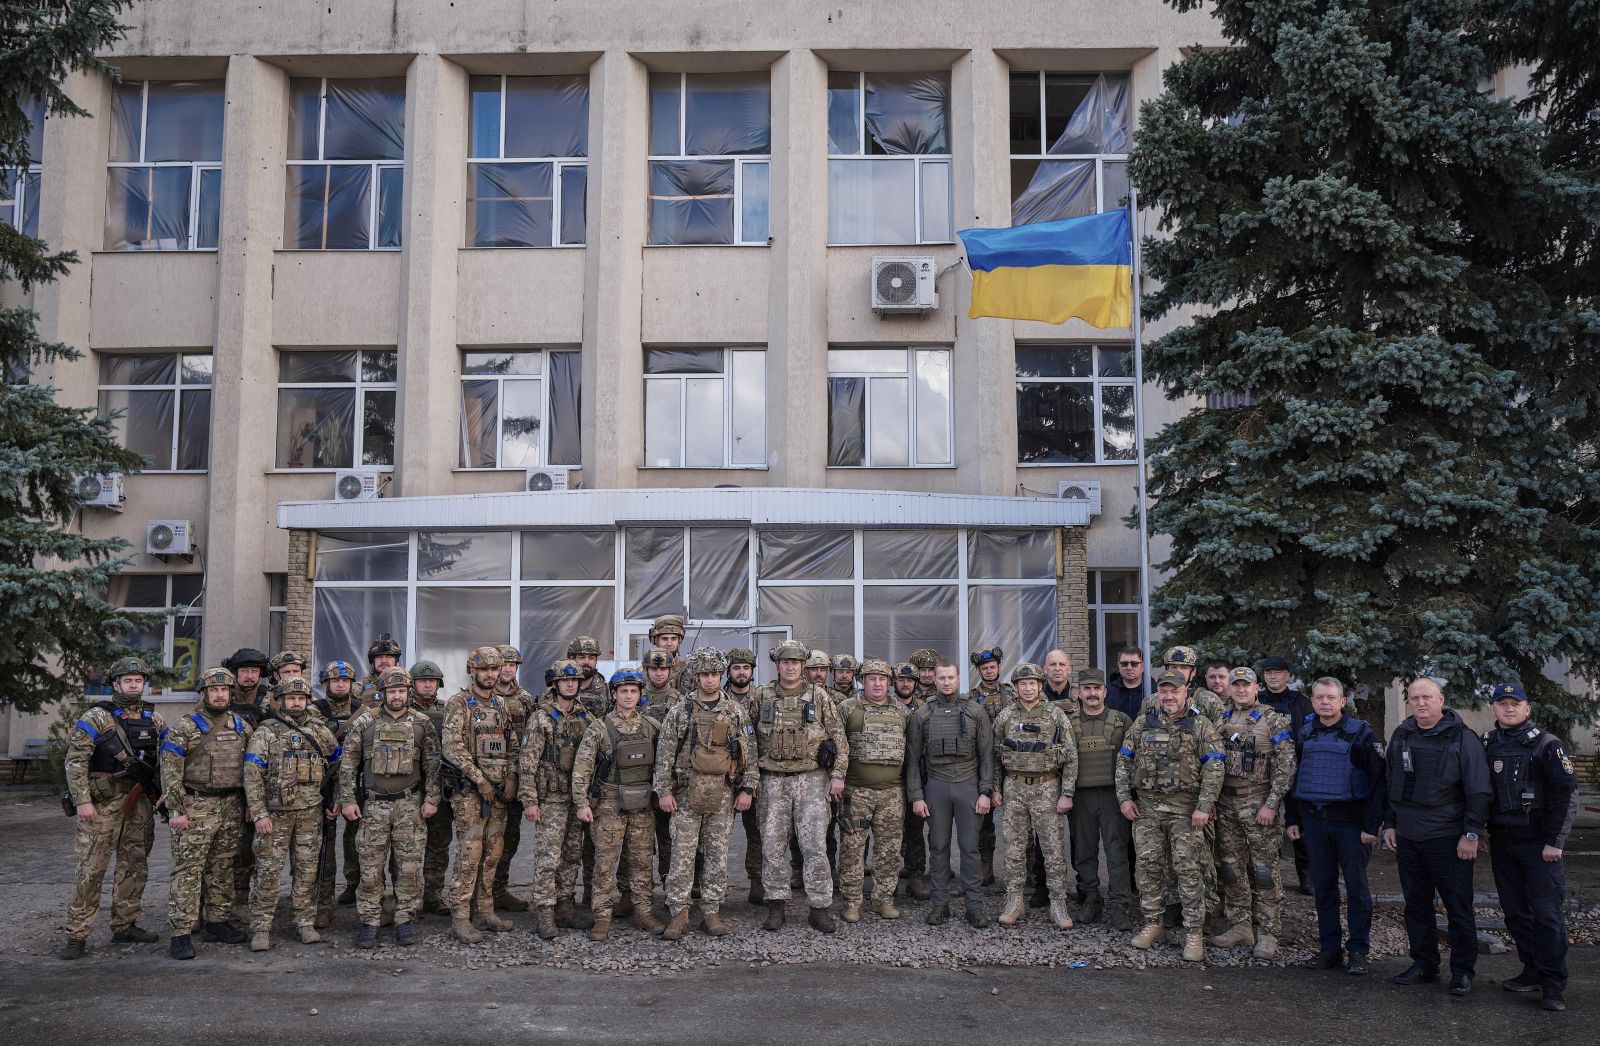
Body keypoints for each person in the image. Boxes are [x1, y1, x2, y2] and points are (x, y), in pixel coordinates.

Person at [1382, 676, 1490, 995]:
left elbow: (1479, 790)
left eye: (1427, 697)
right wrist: (1389, 824)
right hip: (1409, 839)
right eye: (1414, 698)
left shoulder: (1462, 737)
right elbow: (1391, 784)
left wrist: (1471, 834)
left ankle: (1462, 970)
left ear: (1441, 699)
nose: (1421, 703)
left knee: (1458, 908)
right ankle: (1424, 964)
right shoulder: (1401, 735)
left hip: (1448, 839)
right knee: (1416, 906)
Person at [60, 657, 166, 959]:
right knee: (90, 870)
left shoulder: (154, 719)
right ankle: (77, 935)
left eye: (138, 680)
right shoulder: (96, 717)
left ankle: (125, 925)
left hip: (139, 802)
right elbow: (76, 761)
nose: (134, 685)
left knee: (134, 865)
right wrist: (82, 800)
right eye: (128, 680)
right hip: (102, 805)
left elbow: (166, 760)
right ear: (115, 683)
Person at [1483, 682, 1578, 1012]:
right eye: (1502, 703)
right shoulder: (1489, 744)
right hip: (1502, 842)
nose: (1509, 708)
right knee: (1514, 912)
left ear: (1527, 708)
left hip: (1540, 846)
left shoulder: (1548, 745)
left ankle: (1553, 983)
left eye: (1515, 703)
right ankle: (1533, 970)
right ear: (1493, 708)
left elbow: (1567, 796)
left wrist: (1556, 842)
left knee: (1547, 915)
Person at [652, 646, 759, 940]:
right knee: (682, 856)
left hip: (722, 794)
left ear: (720, 675)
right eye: (704, 674)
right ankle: (679, 912)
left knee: (717, 855)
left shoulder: (735, 711)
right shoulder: (681, 711)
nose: (710, 680)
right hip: (686, 794)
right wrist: (663, 791)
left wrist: (747, 789)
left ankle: (711, 911)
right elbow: (665, 754)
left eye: (714, 674)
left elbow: (750, 754)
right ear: (696, 677)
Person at [1116, 670, 1223, 962]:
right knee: (1148, 869)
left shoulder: (1200, 725)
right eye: (1163, 691)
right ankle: (1153, 923)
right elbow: (1124, 760)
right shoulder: (1142, 723)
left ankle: (1193, 933)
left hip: (1185, 811)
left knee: (1188, 872)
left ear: (1185, 691)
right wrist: (1125, 798)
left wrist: (1204, 805)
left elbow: (1215, 766)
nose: (1168, 696)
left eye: (1174, 691)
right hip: (1147, 809)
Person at [1287, 676, 1385, 976]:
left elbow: (1379, 783)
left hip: (1351, 825)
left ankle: (1358, 951)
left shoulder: (1361, 734)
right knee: (1323, 890)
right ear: (1313, 701)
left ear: (1343, 701)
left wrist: (1372, 826)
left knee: (1357, 889)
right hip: (1315, 823)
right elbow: (1294, 777)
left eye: (1331, 697)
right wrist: (1293, 819)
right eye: (1319, 698)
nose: (1325, 702)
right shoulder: (1304, 732)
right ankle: (1329, 949)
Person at [338, 667, 440, 949]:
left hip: (410, 805)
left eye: (401, 691)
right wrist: (347, 800)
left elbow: (433, 765)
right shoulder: (366, 722)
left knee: (408, 868)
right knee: (370, 869)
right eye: (391, 691)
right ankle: (369, 921)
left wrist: (432, 799)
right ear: (383, 693)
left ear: (409, 693)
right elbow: (348, 765)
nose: (396, 696)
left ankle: (404, 918)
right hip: (374, 807)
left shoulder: (422, 723)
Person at [753, 640, 848, 933]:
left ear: (803, 666)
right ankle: (776, 906)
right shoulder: (762, 696)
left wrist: (838, 775)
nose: (791, 667)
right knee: (772, 847)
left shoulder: (819, 697)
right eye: (785, 662)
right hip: (772, 782)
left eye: (796, 662)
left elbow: (840, 739)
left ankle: (819, 907)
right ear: (777, 665)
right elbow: (747, 741)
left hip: (812, 781)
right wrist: (750, 779)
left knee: (816, 847)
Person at [159, 666, 252, 960]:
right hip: (196, 806)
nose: (220, 694)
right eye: (214, 690)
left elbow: (252, 769)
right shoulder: (186, 727)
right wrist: (176, 809)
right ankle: (181, 932)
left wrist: (251, 804)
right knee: (188, 871)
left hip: (231, 806)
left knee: (223, 867)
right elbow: (170, 770)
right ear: (204, 693)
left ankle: (217, 920)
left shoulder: (241, 726)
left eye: (225, 690)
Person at [243, 677, 340, 951]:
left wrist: (335, 800)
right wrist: (259, 813)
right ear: (281, 701)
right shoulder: (266, 732)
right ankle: (261, 927)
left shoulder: (320, 731)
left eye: (301, 698)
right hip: (275, 816)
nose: (296, 703)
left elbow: (338, 766)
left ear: (307, 700)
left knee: (307, 872)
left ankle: (305, 922)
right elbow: (252, 774)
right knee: (268, 872)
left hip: (310, 813)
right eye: (291, 698)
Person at [1206, 667, 1295, 960]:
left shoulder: (1273, 720)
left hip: (1258, 806)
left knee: (1264, 871)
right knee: (1231, 869)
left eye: (1246, 685)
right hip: (1227, 806)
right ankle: (1240, 925)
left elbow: (1286, 766)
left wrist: (1272, 803)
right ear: (1229, 689)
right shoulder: (1220, 719)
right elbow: (1211, 762)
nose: (1241, 690)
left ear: (1256, 687)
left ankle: (1269, 933)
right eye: (1236, 685)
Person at [571, 667, 667, 940]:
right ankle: (602, 915)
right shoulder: (599, 728)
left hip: (642, 805)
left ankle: (643, 911)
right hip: (610, 803)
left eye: (633, 691)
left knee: (641, 862)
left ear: (640, 695)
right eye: (623, 691)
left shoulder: (651, 727)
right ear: (614, 694)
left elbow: (665, 761)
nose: (628, 696)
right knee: (604, 863)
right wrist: (581, 803)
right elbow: (582, 768)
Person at [905, 660, 995, 929]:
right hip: (936, 785)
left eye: (951, 678)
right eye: (941, 678)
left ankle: (974, 907)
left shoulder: (976, 711)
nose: (946, 682)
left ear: (958, 679)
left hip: (968, 784)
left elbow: (987, 755)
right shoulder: (922, 714)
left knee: (970, 849)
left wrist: (985, 791)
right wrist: (916, 796)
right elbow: (912, 759)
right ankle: (940, 904)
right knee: (939, 848)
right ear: (934, 678)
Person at [443, 647, 519, 943]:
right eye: (483, 669)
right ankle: (460, 916)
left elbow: (511, 742)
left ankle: (484, 911)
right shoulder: (459, 703)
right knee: (469, 854)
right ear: (472, 671)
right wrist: (479, 780)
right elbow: (452, 746)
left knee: (493, 852)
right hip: (470, 794)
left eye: (494, 669)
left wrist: (511, 775)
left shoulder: (500, 704)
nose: (489, 674)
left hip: (498, 793)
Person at [992, 663, 1077, 930]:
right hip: (1014, 787)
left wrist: (1067, 792)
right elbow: (994, 757)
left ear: (1040, 686)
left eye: (1032, 683)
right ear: (1015, 688)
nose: (1027, 688)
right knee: (1014, 848)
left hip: (1047, 788)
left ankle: (1058, 904)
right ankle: (1014, 901)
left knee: (1053, 849)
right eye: (1022, 684)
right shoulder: (1005, 716)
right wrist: (995, 789)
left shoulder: (1055, 715)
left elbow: (1071, 756)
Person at [520, 659, 594, 939]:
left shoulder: (586, 717)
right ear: (556, 683)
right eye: (565, 680)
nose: (571, 684)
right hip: (549, 798)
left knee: (572, 856)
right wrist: (529, 800)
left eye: (574, 680)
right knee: (548, 858)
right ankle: (545, 912)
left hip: (575, 798)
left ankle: (565, 906)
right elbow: (527, 761)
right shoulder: (541, 717)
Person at [836, 659, 910, 923]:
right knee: (853, 849)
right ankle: (852, 902)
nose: (877, 683)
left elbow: (910, 753)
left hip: (892, 793)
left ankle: (883, 900)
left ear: (889, 682)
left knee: (889, 850)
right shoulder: (847, 709)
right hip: (857, 793)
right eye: (871, 679)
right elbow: (836, 747)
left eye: (882, 679)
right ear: (862, 681)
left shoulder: (902, 711)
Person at [1068, 668, 1134, 930]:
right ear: (1079, 693)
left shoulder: (1121, 721)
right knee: (1084, 852)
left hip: (1112, 797)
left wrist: (1129, 796)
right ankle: (1091, 899)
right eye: (1087, 689)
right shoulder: (1068, 722)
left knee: (1117, 852)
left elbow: (1132, 759)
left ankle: (1120, 906)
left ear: (1105, 692)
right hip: (1081, 797)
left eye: (1097, 688)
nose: (1092, 693)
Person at [633, 646, 682, 914]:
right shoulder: (633, 694)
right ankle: (634, 892)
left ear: (670, 670)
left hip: (668, 781)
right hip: (638, 777)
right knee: (639, 841)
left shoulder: (680, 699)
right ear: (647, 669)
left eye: (663, 668)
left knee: (668, 839)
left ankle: (670, 888)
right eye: (654, 668)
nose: (659, 673)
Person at [1260, 654, 1315, 894]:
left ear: (1287, 676)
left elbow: (1311, 733)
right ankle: (1272, 878)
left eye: (1278, 672)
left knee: (1298, 826)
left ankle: (1307, 878)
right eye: (1269, 672)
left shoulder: (1300, 702)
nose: (1273, 676)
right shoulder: (1257, 700)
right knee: (1265, 825)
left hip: (1295, 771)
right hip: (1263, 773)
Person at [312, 659, 360, 926]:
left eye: (345, 680)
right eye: (335, 680)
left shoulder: (362, 710)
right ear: (325, 683)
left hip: (357, 783)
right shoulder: (314, 711)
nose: (341, 684)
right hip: (323, 784)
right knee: (324, 848)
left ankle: (358, 890)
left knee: (360, 842)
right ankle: (323, 903)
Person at [491, 644, 535, 913]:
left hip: (515, 777)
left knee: (511, 836)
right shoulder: (481, 697)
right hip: (487, 776)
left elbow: (531, 741)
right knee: (485, 837)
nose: (507, 669)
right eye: (503, 664)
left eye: (512, 664)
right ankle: (479, 891)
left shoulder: (526, 699)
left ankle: (500, 889)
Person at [406, 660, 453, 916]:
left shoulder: (449, 711)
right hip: (410, 787)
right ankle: (407, 898)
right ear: (412, 684)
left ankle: (433, 895)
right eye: (422, 680)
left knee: (438, 844)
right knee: (407, 849)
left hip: (441, 787)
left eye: (432, 680)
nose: (427, 684)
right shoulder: (400, 709)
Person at [967, 644, 1014, 888]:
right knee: (983, 821)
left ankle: (1023, 872)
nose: (988, 671)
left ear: (999, 668)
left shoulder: (1013, 694)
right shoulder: (972, 698)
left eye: (992, 667)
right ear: (978, 670)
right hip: (983, 763)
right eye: (984, 668)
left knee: (1018, 820)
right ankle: (985, 869)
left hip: (1012, 763)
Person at [722, 646, 766, 905]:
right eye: (736, 668)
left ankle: (756, 881)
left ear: (752, 671)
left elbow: (764, 739)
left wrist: (755, 778)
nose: (741, 672)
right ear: (729, 671)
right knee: (714, 834)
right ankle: (706, 883)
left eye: (746, 668)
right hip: (723, 775)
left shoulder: (762, 698)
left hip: (753, 776)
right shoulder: (718, 697)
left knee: (756, 832)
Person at [893, 661, 931, 901]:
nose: (905, 684)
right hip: (891, 775)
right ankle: (889, 878)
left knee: (915, 828)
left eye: (910, 680)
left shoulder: (925, 709)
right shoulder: (885, 706)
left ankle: (915, 877)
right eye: (901, 680)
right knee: (889, 829)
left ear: (916, 684)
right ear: (894, 682)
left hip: (916, 774)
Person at [357, 633, 403, 706]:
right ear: (373, 661)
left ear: (396, 660)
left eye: (389, 656)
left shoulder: (406, 687)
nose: (384, 661)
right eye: (379, 657)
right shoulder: (358, 688)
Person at [1105, 647, 1148, 720]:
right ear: (1119, 665)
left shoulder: (1154, 690)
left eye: (1134, 664)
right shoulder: (1107, 692)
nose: (1129, 668)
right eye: (1124, 664)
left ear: (1143, 666)